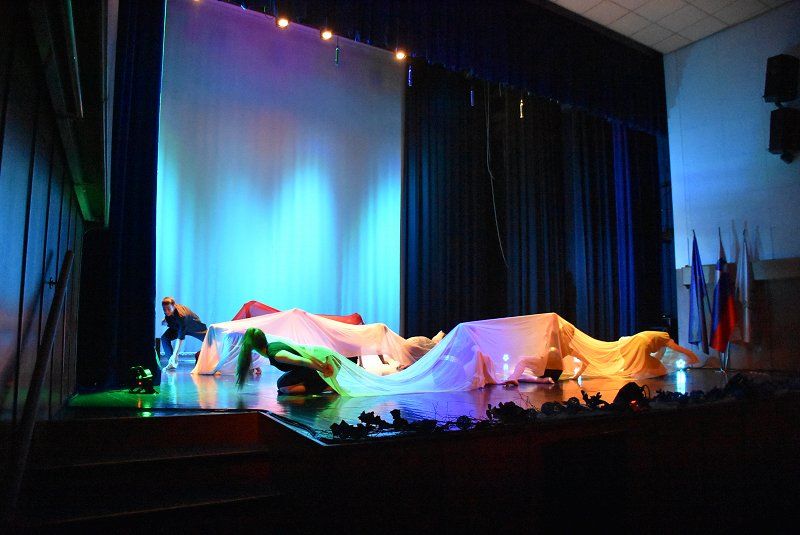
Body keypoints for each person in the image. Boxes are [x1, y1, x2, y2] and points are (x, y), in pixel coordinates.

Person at [236, 327, 335, 394]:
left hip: (317, 365)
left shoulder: (276, 354)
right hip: (310, 366)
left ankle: (326, 386)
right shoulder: (271, 346)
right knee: (281, 383)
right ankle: (319, 384)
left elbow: (302, 361)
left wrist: (323, 369)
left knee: (284, 388)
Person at [161, 296, 208, 370]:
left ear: (174, 306)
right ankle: (171, 362)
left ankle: (201, 356)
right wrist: (164, 321)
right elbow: (169, 319)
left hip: (193, 327)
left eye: (168, 309)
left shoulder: (181, 316)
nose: (166, 311)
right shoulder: (169, 311)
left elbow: (180, 338)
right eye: (164, 309)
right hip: (179, 326)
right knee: (164, 338)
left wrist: (175, 355)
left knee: (211, 341)